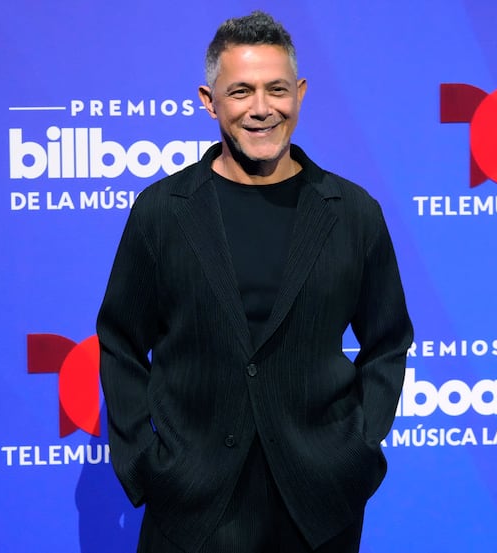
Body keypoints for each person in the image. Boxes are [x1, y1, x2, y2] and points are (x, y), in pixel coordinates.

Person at [97, 11, 413, 553]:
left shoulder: (353, 212)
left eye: (277, 89)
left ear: (301, 93)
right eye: (241, 91)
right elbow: (121, 342)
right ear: (209, 99)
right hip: (190, 503)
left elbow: (388, 341)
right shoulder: (161, 212)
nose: (262, 108)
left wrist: (356, 450)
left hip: (318, 503)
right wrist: (146, 465)